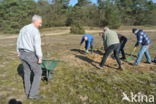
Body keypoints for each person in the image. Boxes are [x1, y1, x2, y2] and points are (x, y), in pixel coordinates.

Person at [16, 15, 43, 99]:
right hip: (30, 54)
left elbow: (18, 41)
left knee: (27, 72)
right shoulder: (35, 31)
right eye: (40, 23)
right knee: (38, 72)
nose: (40, 25)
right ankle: (33, 94)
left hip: (22, 53)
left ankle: (28, 92)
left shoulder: (23, 28)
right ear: (35, 21)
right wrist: (40, 57)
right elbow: (37, 45)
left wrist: (18, 52)